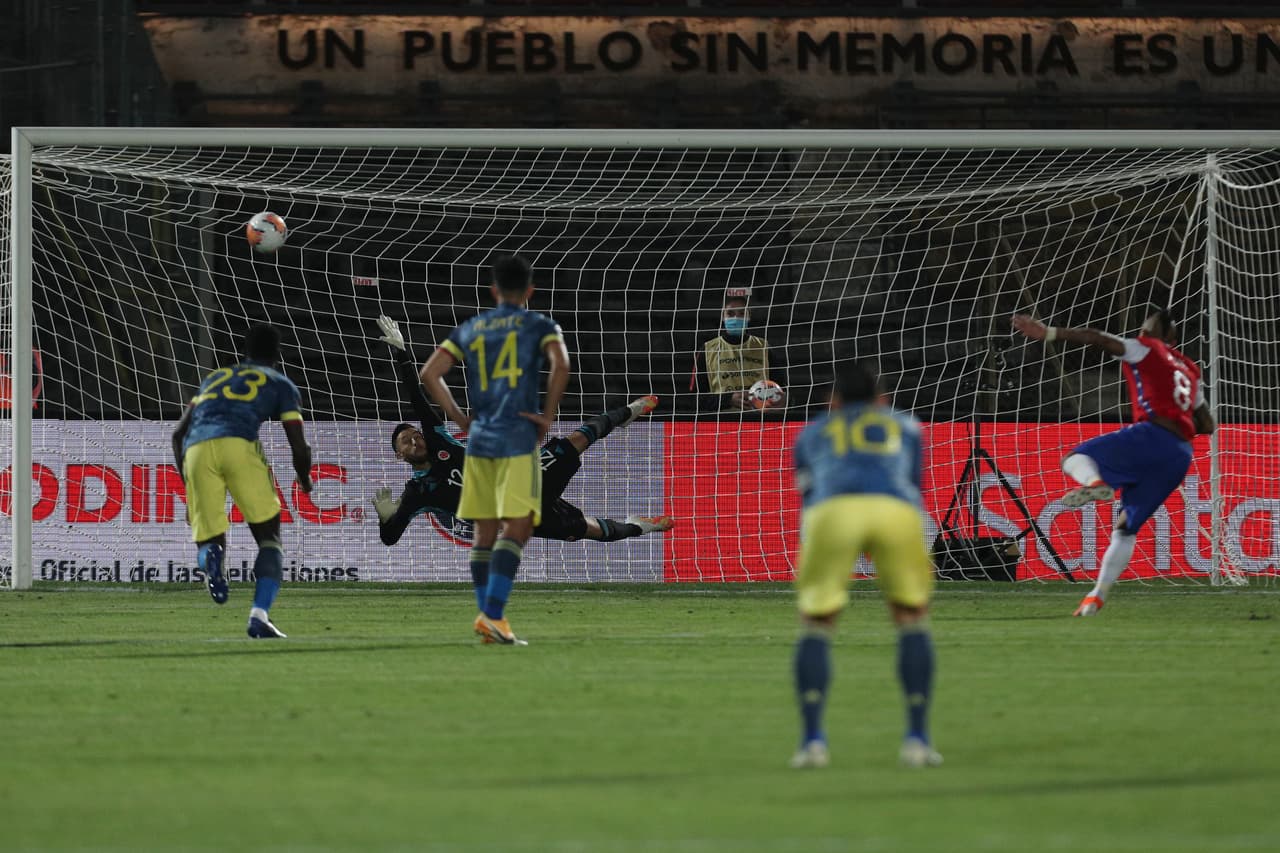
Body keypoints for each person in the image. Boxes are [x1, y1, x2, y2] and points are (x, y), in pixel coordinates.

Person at [371, 314, 672, 559]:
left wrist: (402, 355)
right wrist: (387, 519)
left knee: (575, 442)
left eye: (414, 435)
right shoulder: (417, 493)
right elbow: (389, 539)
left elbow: (418, 400)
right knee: (589, 531)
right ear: (401, 456)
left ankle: (626, 413)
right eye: (406, 443)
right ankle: (640, 527)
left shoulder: (438, 443)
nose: (415, 441)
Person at [1012, 308, 1215, 616]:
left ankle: (1096, 484)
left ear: (1166, 336)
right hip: (1179, 453)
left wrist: (1050, 333)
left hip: (1151, 434)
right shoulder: (1190, 369)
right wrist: (1179, 420)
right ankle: (1095, 598)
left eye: (1151, 323)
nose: (1144, 326)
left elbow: (1097, 338)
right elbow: (1208, 424)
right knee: (1125, 529)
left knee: (1074, 458)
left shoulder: (1145, 346)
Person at [789, 361, 939, 769]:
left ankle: (813, 743)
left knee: (817, 622)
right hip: (896, 511)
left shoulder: (812, 431)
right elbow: (915, 485)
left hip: (832, 512)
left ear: (831, 402)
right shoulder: (906, 426)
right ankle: (917, 740)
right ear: (881, 400)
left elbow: (808, 493)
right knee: (911, 617)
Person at [420, 255, 570, 646]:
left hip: (480, 438)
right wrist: (547, 416)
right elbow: (562, 366)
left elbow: (429, 373)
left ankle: (488, 619)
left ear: (493, 290)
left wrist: (455, 416)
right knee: (518, 526)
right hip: (516, 435)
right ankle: (494, 615)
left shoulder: (472, 327)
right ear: (530, 291)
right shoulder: (539, 325)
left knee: (484, 531)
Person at [171, 324, 313, 639]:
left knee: (210, 540)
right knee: (269, 539)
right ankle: (259, 617)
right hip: (239, 444)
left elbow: (177, 434)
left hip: (195, 450)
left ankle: (210, 558)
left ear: (244, 352)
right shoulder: (280, 383)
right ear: (277, 355)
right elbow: (298, 446)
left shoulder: (215, 378)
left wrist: (189, 489)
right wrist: (304, 479)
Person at [693, 293, 786, 412]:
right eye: (730, 313)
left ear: (749, 316)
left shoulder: (764, 347)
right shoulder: (707, 349)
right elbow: (694, 400)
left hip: (760, 421)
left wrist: (780, 400)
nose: (736, 318)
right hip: (722, 424)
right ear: (723, 316)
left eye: (742, 313)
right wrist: (728, 399)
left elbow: (783, 392)